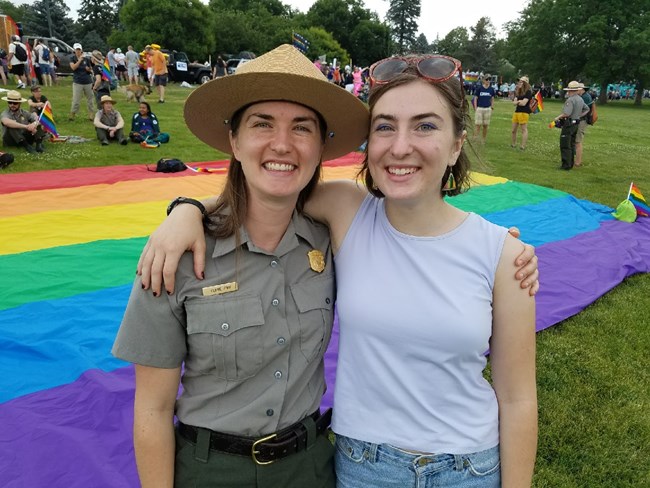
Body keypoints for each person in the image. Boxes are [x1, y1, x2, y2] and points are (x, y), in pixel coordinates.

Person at [134, 50, 540, 488]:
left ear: (457, 143)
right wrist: (186, 210)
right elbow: (268, 189)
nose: (401, 146)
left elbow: (518, 399)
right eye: (385, 126)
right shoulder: (347, 210)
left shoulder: (504, 254)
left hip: (468, 469)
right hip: (362, 465)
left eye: (425, 125)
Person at [113, 44, 371, 488]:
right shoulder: (172, 255)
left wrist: (499, 251)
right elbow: (152, 409)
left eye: (302, 128)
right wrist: (186, 211)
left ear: (322, 146)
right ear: (234, 140)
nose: (282, 144)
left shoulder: (336, 236)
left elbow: (417, 232)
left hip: (310, 468)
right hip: (210, 471)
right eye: (262, 124)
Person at [552, 81, 589, 171]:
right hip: (576, 123)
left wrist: (557, 117)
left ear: (571, 91)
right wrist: (579, 115)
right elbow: (587, 109)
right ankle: (571, 163)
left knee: (565, 144)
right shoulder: (580, 99)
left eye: (568, 91)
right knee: (572, 144)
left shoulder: (570, 100)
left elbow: (566, 113)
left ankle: (566, 165)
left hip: (569, 124)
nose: (568, 92)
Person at [69, 43, 95, 121]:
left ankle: (91, 114)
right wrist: (79, 60)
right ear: (74, 50)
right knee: (76, 99)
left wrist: (89, 69)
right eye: (76, 50)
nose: (78, 51)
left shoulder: (86, 59)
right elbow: (73, 68)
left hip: (87, 81)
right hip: (78, 81)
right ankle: (72, 113)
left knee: (90, 98)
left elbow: (91, 69)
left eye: (79, 50)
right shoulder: (72, 58)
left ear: (81, 50)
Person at [511, 75, 532, 150]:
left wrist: (518, 101)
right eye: (519, 81)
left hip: (524, 112)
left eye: (521, 82)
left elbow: (524, 103)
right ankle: (513, 144)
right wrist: (518, 101)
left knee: (523, 129)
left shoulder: (528, 92)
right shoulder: (518, 91)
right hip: (517, 112)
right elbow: (514, 103)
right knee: (513, 130)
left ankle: (522, 146)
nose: (519, 83)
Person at [473, 74, 495, 143]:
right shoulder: (479, 88)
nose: (488, 81)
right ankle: (475, 138)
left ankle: (483, 139)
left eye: (489, 79)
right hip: (480, 108)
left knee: (485, 125)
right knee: (478, 124)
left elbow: (492, 98)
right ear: (483, 80)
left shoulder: (491, 89)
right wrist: (476, 107)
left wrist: (492, 107)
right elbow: (475, 98)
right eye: (486, 79)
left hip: (487, 108)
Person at [575, 83, 593, 167]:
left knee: (578, 141)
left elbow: (579, 109)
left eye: (576, 89)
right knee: (576, 141)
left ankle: (578, 162)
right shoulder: (584, 96)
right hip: (581, 120)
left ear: (581, 89)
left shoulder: (584, 97)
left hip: (582, 121)